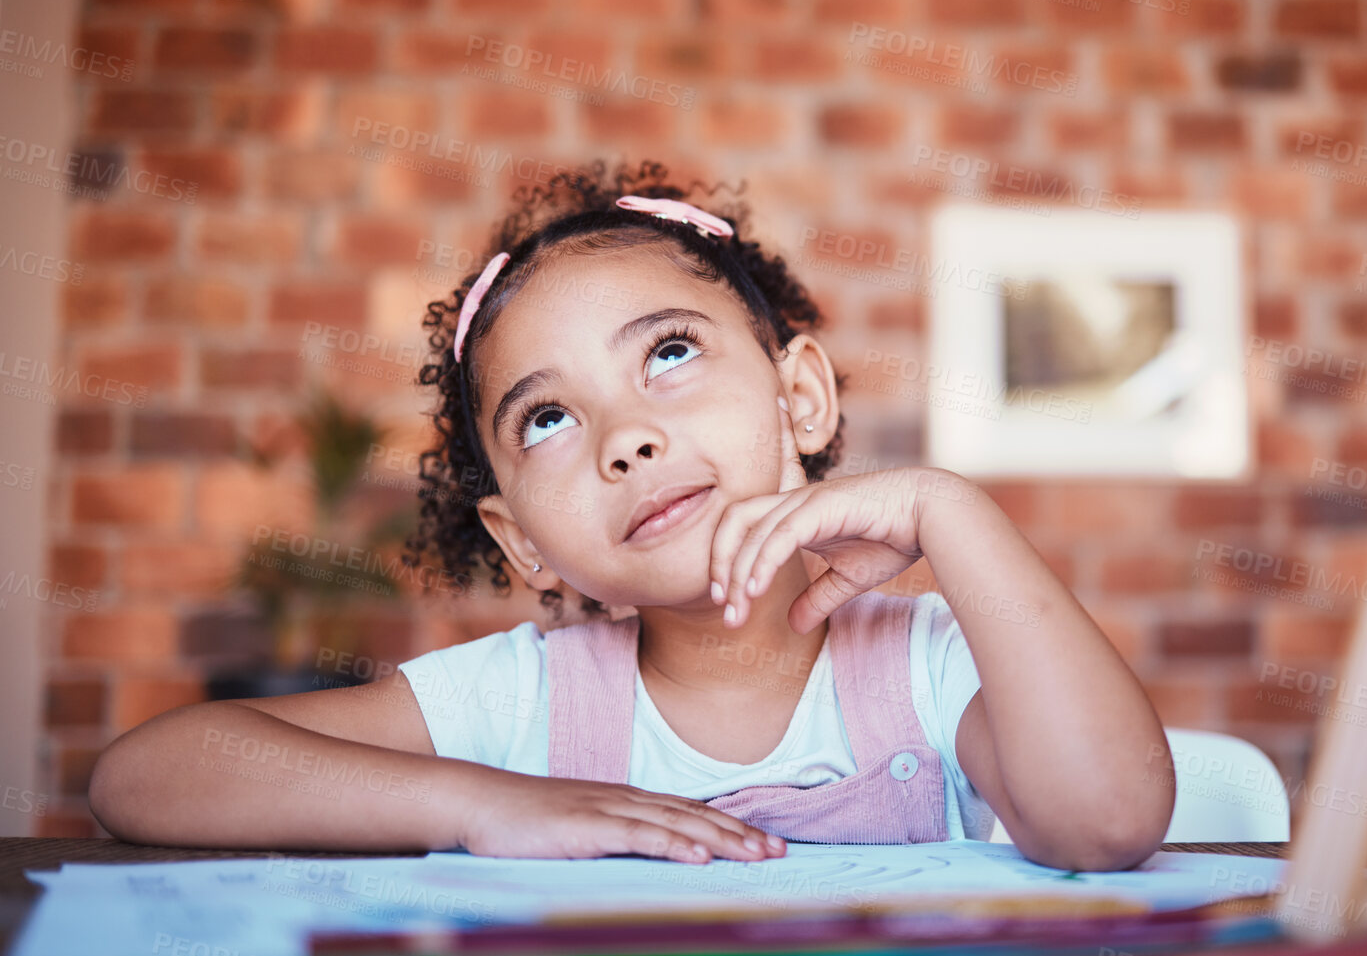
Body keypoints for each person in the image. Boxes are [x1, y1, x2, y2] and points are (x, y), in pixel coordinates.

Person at [90, 160, 1176, 870]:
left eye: (668, 353)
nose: (625, 436)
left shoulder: (925, 665)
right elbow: (146, 777)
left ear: (799, 397)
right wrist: (481, 804)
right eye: (550, 418)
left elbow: (1108, 818)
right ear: (521, 537)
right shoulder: (522, 701)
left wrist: (953, 514)